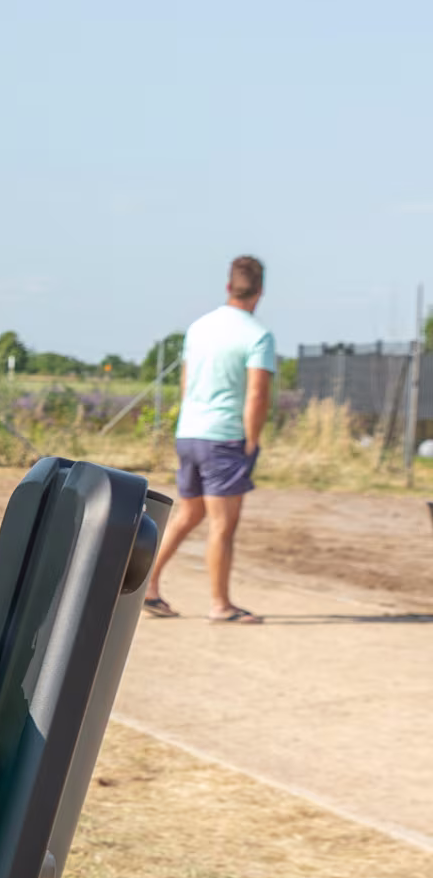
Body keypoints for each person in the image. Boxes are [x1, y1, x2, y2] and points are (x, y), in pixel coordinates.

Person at [145, 255, 277, 623]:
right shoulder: (258, 335)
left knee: (189, 512)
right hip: (224, 439)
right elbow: (257, 396)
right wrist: (251, 441)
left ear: (228, 286)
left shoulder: (199, 328)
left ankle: (148, 586)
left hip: (190, 431)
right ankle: (221, 604)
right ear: (261, 290)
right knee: (223, 524)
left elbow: (186, 383)